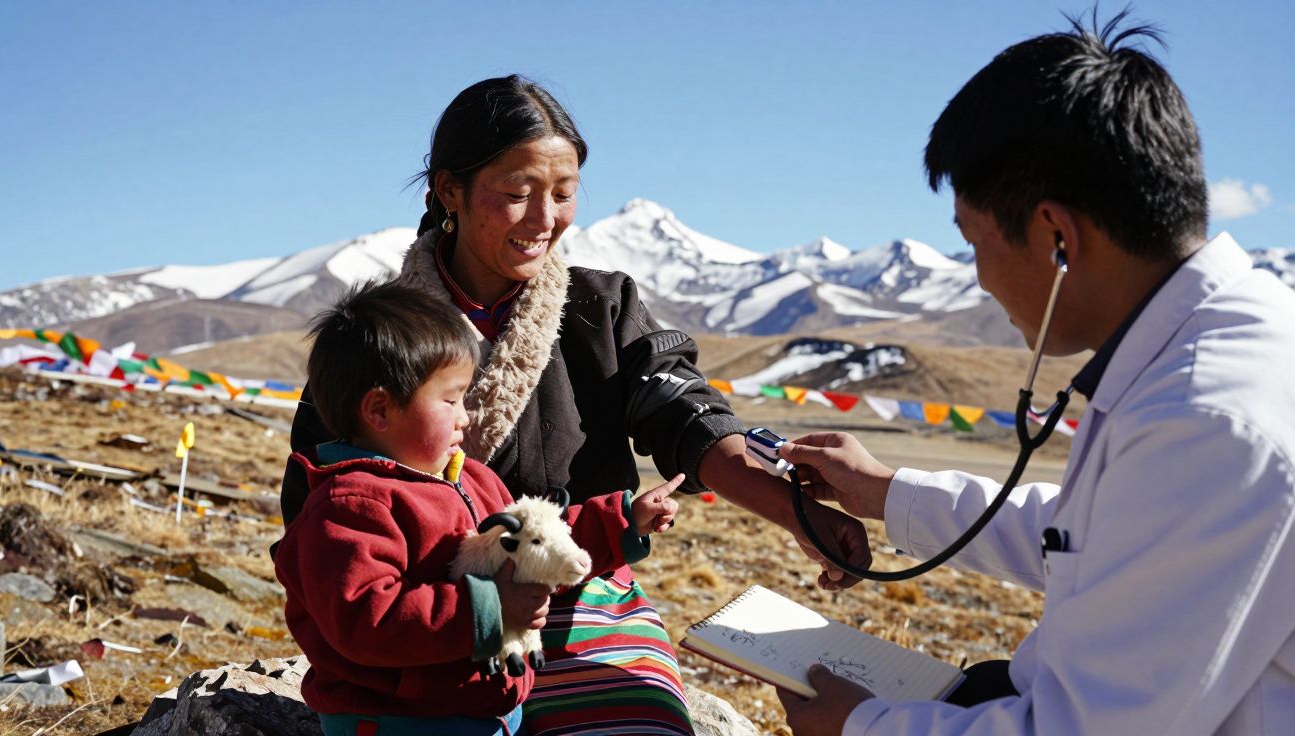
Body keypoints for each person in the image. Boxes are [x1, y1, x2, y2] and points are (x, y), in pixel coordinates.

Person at [280, 75, 872, 734]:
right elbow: (321, 516)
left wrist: (795, 511)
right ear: (450, 190)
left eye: (563, 195)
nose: (544, 220)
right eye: (516, 195)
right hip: (425, 628)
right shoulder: (378, 338)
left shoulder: (602, 306)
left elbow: (688, 420)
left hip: (582, 597)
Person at [775, 11, 1295, 736]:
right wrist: (890, 494)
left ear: (1056, 237)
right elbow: (1093, 539)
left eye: (972, 241)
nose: (980, 278)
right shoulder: (1216, 350)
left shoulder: (1207, 416)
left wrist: (859, 728)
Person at [273, 279, 682, 736]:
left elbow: (531, 543)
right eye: (450, 400)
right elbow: (366, 618)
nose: (465, 415)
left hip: (477, 709)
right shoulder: (349, 507)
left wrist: (624, 520)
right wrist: (492, 609)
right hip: (396, 720)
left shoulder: (471, 478)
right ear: (379, 411)